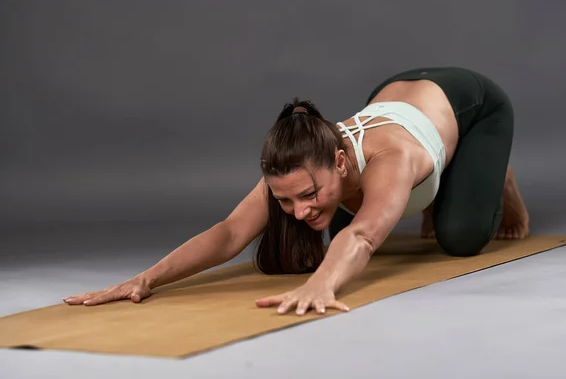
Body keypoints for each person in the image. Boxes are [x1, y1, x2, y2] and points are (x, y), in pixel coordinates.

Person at [63, 66, 530, 316]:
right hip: (394, 92)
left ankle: (488, 170)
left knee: (461, 237)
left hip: (469, 102)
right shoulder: (306, 160)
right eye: (284, 200)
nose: (299, 211)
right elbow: (229, 233)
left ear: (342, 162)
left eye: (308, 194)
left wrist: (320, 284)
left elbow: (365, 236)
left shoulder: (391, 158)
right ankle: (441, 187)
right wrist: (145, 279)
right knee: (347, 227)